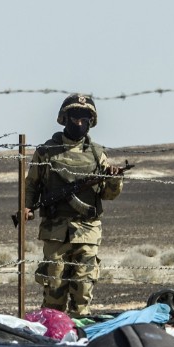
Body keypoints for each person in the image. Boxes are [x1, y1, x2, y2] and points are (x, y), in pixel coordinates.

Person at [23, 93, 125, 317]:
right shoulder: (46, 152)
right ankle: (52, 335)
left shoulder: (98, 154)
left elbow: (109, 195)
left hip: (87, 231)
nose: (79, 122)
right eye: (75, 117)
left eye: (84, 118)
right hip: (55, 231)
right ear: (65, 118)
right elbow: (31, 184)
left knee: (83, 291)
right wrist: (27, 207)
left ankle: (79, 335)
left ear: (91, 122)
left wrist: (114, 178)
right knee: (54, 289)